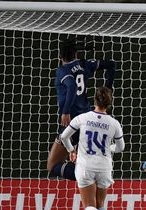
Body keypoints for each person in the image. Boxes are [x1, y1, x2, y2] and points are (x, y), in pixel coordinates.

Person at [60, 86, 125, 210]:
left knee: (89, 206)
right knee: (100, 204)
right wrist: (109, 148)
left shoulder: (82, 118)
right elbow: (121, 147)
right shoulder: (114, 123)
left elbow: (64, 137)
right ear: (109, 103)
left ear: (94, 100)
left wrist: (71, 150)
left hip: (85, 166)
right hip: (104, 167)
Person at [48, 38, 116, 181]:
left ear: (60, 55)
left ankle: (90, 175)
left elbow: (72, 86)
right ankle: (92, 174)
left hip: (73, 123)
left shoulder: (62, 70)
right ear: (76, 54)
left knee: (53, 165)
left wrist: (65, 112)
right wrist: (107, 90)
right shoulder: (85, 64)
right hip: (87, 120)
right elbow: (111, 65)